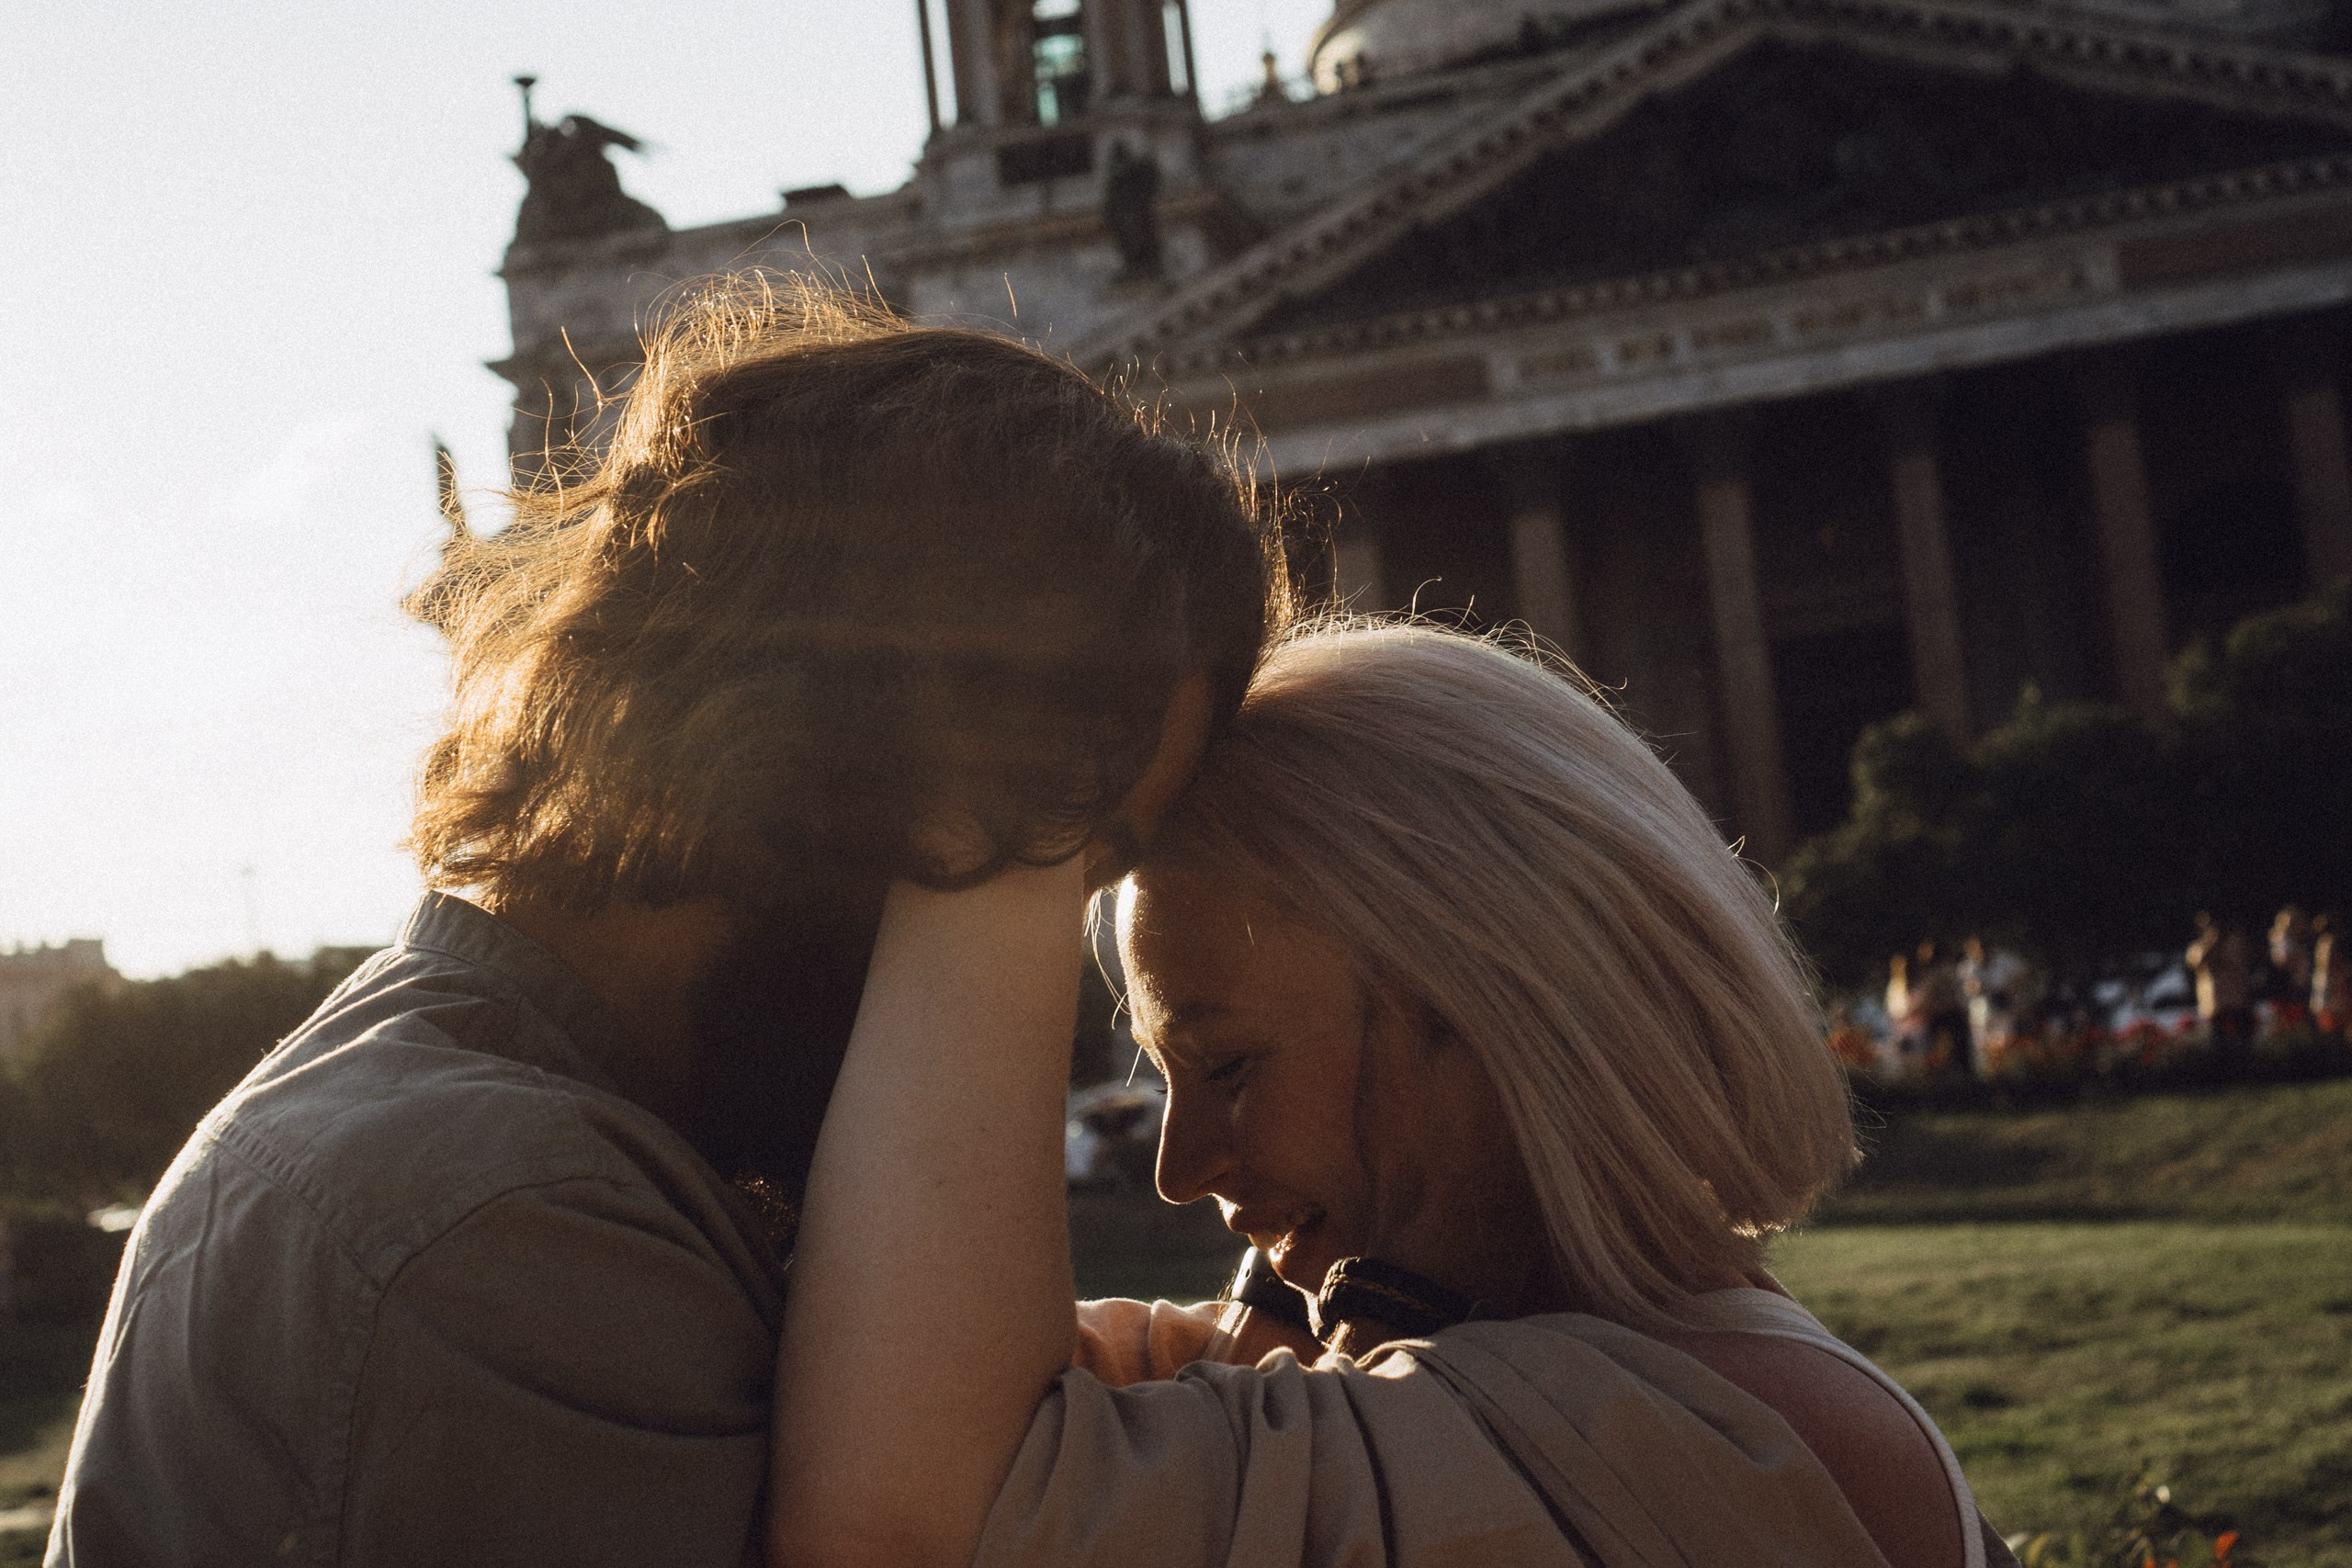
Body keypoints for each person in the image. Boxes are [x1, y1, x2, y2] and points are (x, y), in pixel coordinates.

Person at [45, 277, 1287, 1567]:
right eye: (1048, 855)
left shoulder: (492, 1116)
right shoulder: (514, 1228)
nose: (1031, 964)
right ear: (825, 753)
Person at [766, 625, 2013, 1568]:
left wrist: (996, 818)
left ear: (1491, 1009)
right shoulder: (1531, 1364)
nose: (1178, 1167)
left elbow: (921, 1512)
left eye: (1229, 1065)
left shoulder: (1719, 1438)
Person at [2188, 911, 2256, 1054]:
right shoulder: (2198, 946)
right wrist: (2211, 943)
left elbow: (2244, 960)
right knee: (2217, 1047)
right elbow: (2197, 962)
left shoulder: (2235, 941)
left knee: (2244, 1046)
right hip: (2214, 1005)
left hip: (2238, 1000)